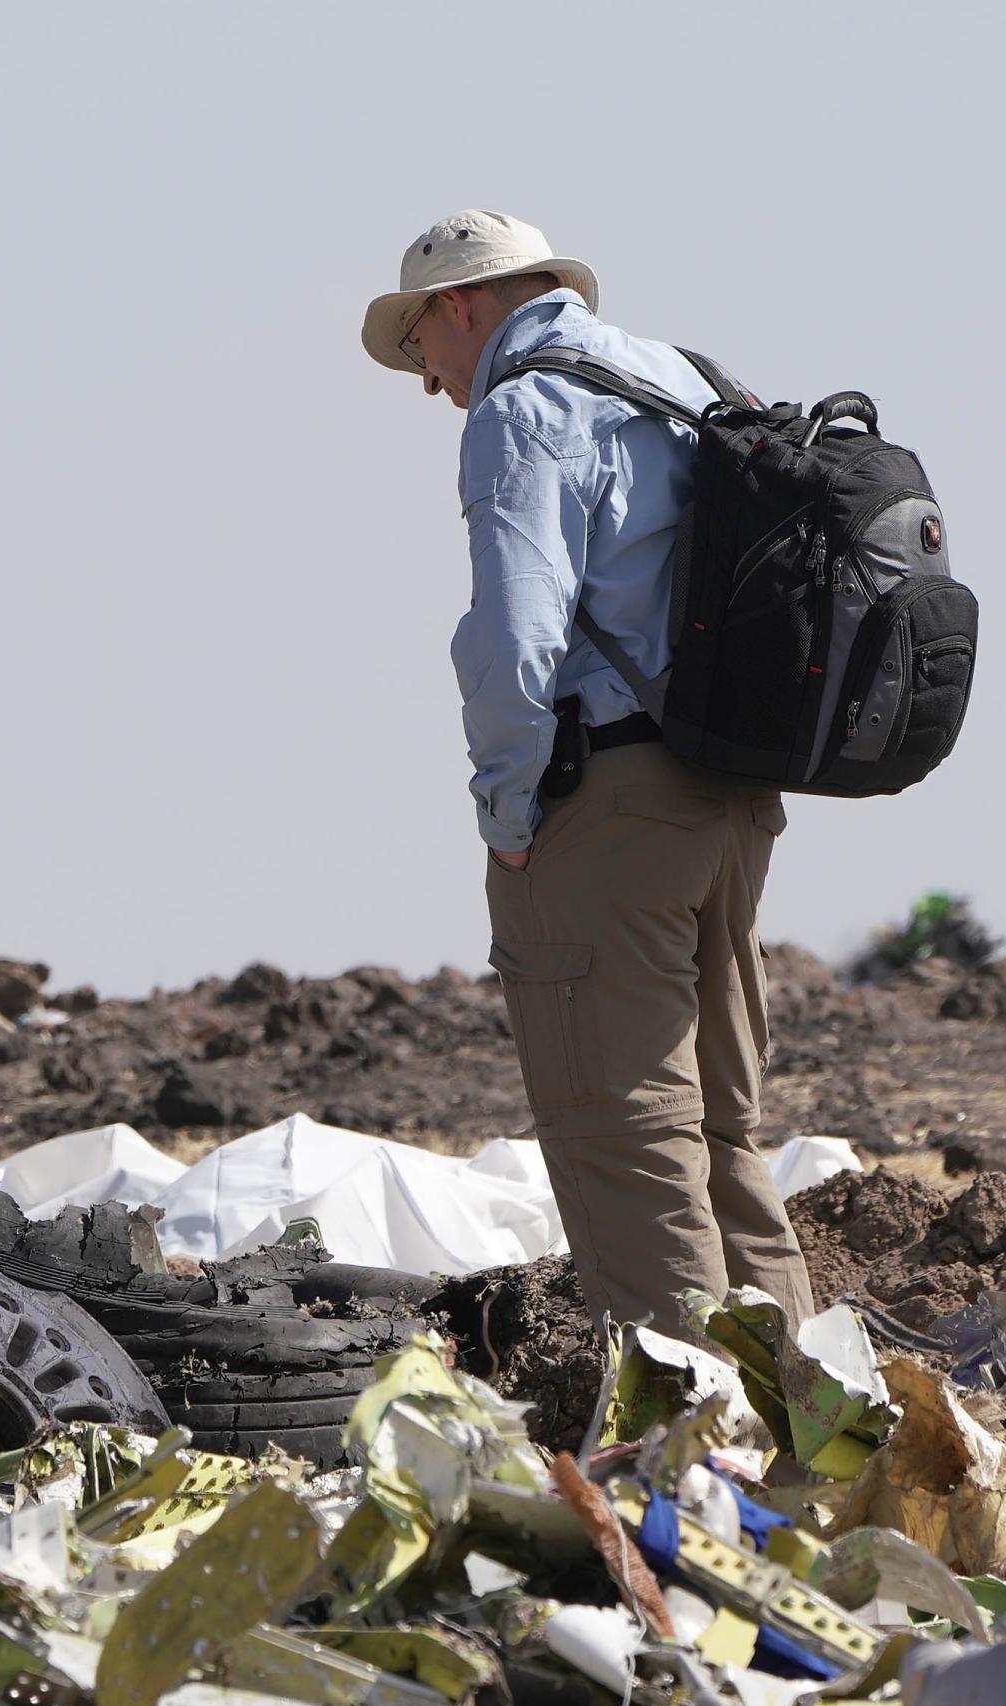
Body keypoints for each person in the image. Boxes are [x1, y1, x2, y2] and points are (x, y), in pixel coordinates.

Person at [362, 210, 814, 1331]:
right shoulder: (685, 379)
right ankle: (812, 1439)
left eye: (421, 351)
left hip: (607, 802)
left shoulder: (525, 408)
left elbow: (515, 637)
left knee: (621, 1134)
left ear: (458, 304)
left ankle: (693, 1456)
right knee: (718, 1132)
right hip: (732, 796)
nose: (433, 384)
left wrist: (507, 810)